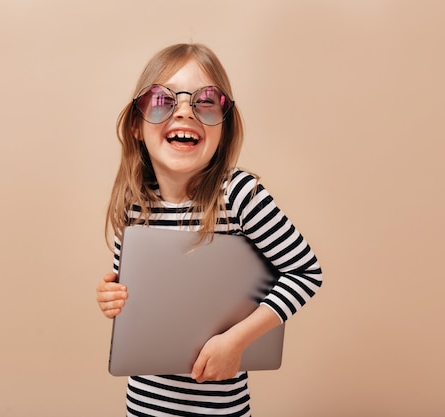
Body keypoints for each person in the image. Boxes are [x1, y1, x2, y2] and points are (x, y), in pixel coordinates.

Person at [95, 43, 323, 417]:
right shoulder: (132, 204)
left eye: (205, 102)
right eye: (161, 100)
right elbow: (131, 292)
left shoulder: (240, 195)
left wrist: (236, 341)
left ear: (224, 127)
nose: (184, 112)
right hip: (144, 405)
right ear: (136, 126)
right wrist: (111, 295)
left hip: (221, 408)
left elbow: (305, 273)